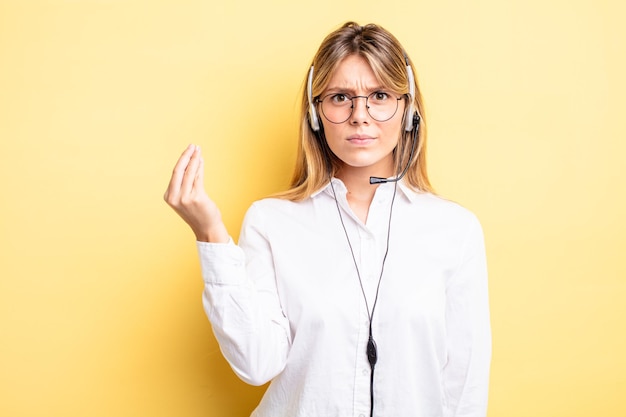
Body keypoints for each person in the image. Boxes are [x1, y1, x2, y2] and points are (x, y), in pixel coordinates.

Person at [164, 22, 491, 417]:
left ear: (408, 110)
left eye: (380, 95)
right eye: (340, 97)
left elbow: (464, 388)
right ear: (316, 114)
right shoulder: (271, 222)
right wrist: (210, 233)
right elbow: (256, 363)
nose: (360, 116)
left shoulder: (456, 230)